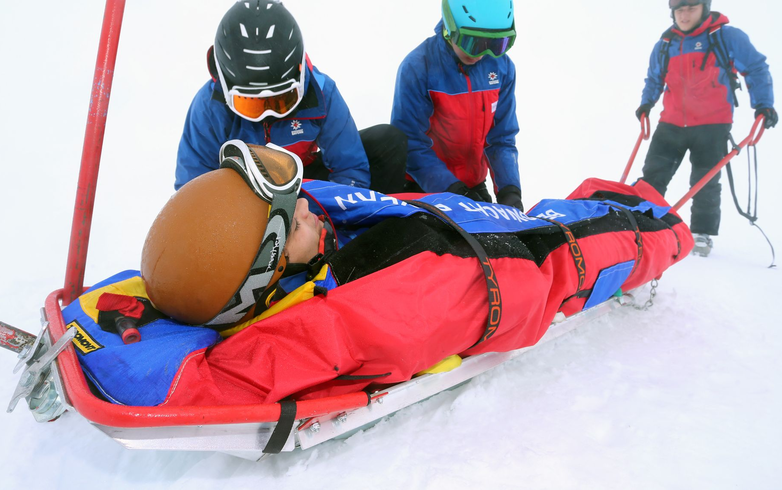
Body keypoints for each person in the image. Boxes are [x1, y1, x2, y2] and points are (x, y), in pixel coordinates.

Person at [60, 141, 692, 408]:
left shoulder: (261, 261)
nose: (307, 202)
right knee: (586, 246)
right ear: (269, 264)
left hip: (445, 224)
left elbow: (143, 288)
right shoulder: (331, 322)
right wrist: (665, 235)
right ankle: (661, 226)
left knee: (561, 214)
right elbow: (203, 385)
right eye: (293, 214)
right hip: (493, 270)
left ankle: (622, 206)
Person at [175, 0, 407, 194]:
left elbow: (350, 168)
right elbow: (192, 190)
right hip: (243, 198)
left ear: (299, 78)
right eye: (250, 104)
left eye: (281, 100)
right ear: (226, 87)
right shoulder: (209, 108)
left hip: (300, 186)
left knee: (387, 142)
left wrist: (327, 222)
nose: (268, 113)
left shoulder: (321, 92)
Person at [635, 0, 776, 257]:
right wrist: (646, 104)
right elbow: (654, 79)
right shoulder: (665, 45)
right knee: (652, 177)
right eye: (679, 11)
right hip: (671, 123)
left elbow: (756, 68)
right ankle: (640, 224)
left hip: (712, 125)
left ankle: (701, 235)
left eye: (691, 9)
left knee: (705, 181)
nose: (684, 15)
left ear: (705, 7)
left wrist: (764, 105)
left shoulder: (725, 37)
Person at [391, 0, 522, 210]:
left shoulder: (502, 69)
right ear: (450, 28)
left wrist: (509, 191)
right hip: (425, 185)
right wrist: (452, 191)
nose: (484, 54)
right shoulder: (419, 68)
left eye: (498, 43)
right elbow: (411, 144)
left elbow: (501, 138)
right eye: (473, 42)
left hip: (471, 185)